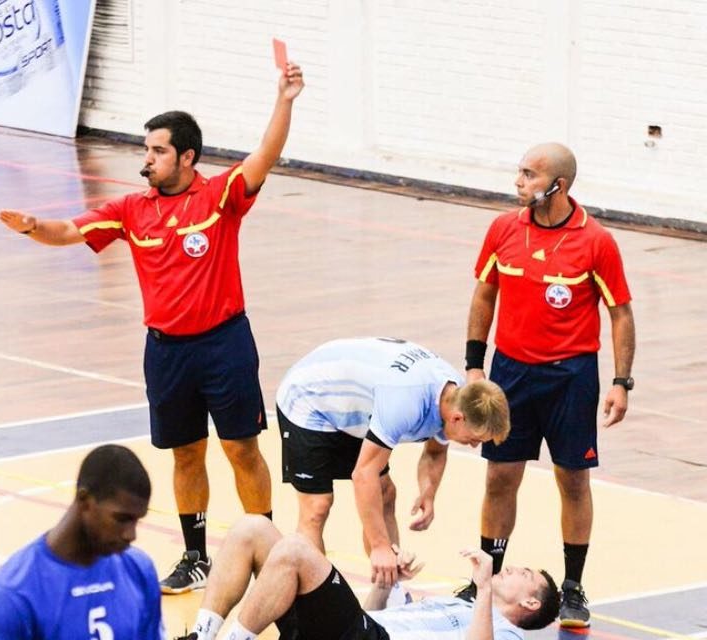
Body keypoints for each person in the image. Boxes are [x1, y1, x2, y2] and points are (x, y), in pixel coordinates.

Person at [0, 61, 305, 595]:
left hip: (225, 345)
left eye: (158, 151)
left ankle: (269, 549)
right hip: (165, 352)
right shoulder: (131, 210)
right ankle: (195, 556)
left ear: (187, 156)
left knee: (241, 449)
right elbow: (70, 229)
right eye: (146, 150)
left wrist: (285, 99)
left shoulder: (219, 199)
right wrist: (33, 228)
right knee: (186, 453)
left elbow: (265, 156)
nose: (148, 160)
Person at [464, 142, 635, 627]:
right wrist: (475, 365)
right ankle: (486, 576)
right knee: (499, 477)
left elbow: (620, 313)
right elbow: (484, 293)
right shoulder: (502, 229)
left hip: (571, 377)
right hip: (512, 374)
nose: (518, 181)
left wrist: (621, 381)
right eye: (518, 170)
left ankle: (574, 586)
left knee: (573, 480)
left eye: (529, 174)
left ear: (558, 186)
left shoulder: (596, 242)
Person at [275, 337, 510, 591]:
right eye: (474, 439)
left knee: (385, 494)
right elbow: (364, 474)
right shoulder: (405, 403)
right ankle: (316, 604)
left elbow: (435, 452)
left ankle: (390, 591)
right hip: (310, 398)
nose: (474, 446)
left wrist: (428, 494)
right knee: (317, 507)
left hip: (355, 406)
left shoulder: (457, 395)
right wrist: (379, 547)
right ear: (457, 418)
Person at [175, 515, 559, 640]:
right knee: (253, 528)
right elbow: (369, 615)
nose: (511, 567)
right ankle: (202, 635)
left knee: (294, 552)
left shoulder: (509, 633)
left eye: (523, 573)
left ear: (531, 602)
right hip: (364, 630)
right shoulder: (461, 604)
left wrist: (485, 585)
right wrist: (385, 583)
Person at [0, 444, 164, 639]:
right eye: (121, 519)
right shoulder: (12, 596)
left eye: (136, 520)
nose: (131, 535)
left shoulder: (139, 570)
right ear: (84, 500)